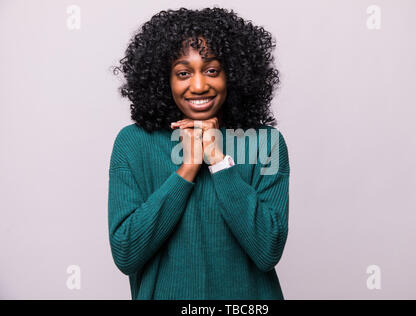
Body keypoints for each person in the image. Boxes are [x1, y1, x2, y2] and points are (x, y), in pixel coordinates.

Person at [108, 7, 290, 300]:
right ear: (163, 79)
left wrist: (218, 161)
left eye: (211, 70)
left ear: (232, 74)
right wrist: (188, 167)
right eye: (183, 73)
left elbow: (267, 250)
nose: (198, 85)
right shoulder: (134, 143)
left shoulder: (266, 144)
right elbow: (127, 253)